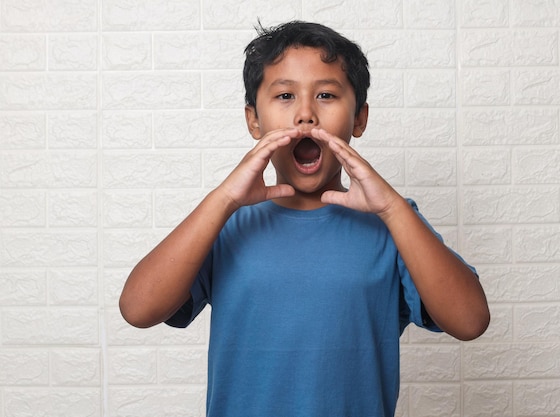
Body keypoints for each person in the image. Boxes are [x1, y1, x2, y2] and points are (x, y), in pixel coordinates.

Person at [119, 20, 490, 417]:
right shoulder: (225, 224)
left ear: (359, 119)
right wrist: (224, 198)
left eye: (327, 94)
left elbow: (470, 321)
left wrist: (393, 209)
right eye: (284, 96)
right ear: (254, 121)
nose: (306, 114)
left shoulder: (393, 225)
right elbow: (138, 309)